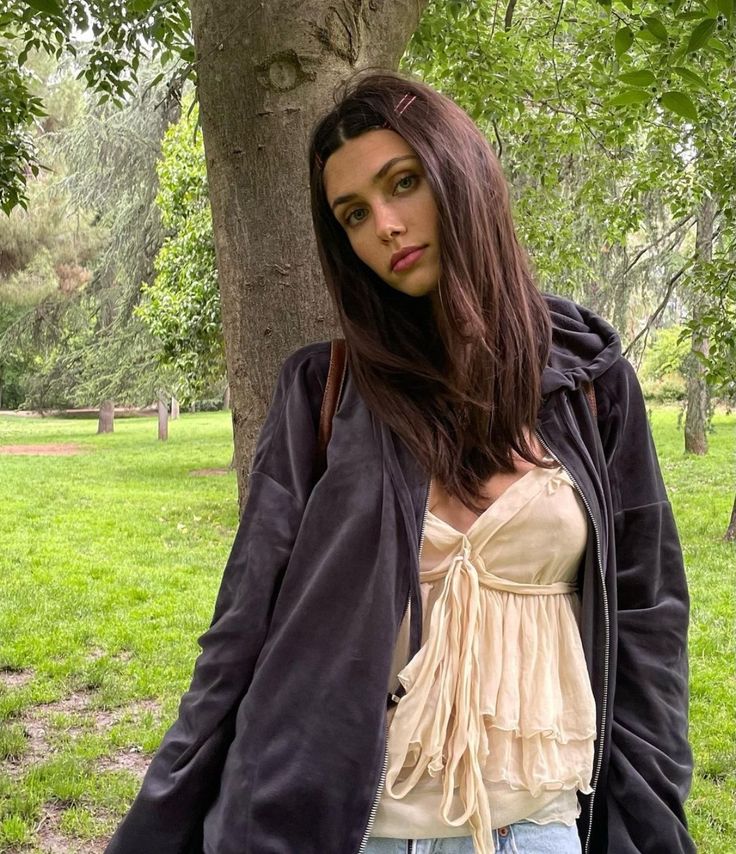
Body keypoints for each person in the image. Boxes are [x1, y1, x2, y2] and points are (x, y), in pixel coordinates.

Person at [105, 69, 694, 854]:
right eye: (353, 214)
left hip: (539, 827)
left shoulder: (592, 386)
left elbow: (648, 619)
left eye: (403, 182)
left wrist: (650, 821)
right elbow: (242, 628)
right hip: (352, 827)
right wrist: (159, 824)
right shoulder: (325, 391)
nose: (383, 224)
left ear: (461, 172)